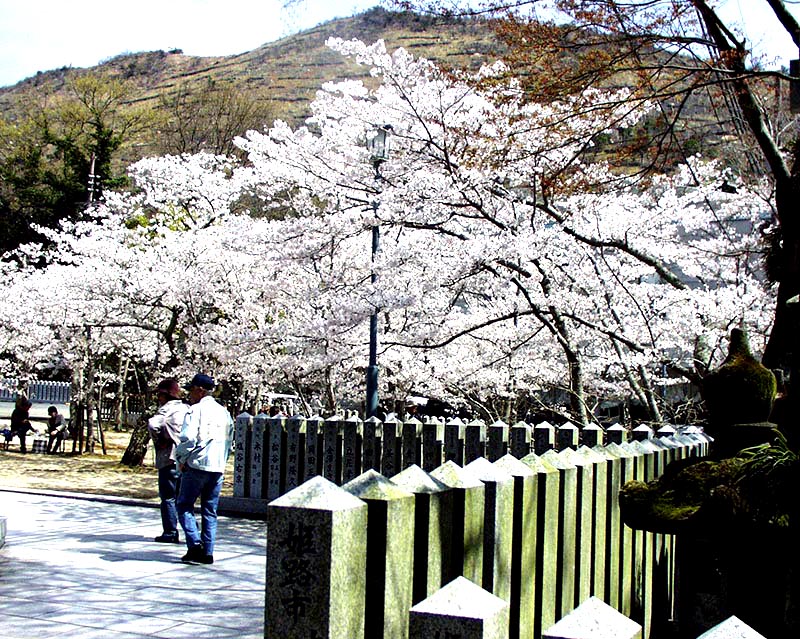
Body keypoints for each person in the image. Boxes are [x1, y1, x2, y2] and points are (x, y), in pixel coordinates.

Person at [175, 373, 233, 565]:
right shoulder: (224, 413)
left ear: (199, 390)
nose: (189, 395)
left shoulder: (195, 410)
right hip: (217, 467)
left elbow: (188, 438)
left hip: (196, 465)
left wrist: (181, 458)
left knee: (184, 505)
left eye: (191, 390)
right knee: (210, 510)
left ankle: (194, 545)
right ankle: (208, 551)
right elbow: (229, 440)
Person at [147, 378, 189, 544]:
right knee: (183, 498)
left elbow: (152, 424)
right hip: (185, 458)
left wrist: (159, 440)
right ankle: (191, 533)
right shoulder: (187, 409)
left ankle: (170, 531)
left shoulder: (166, 410)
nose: (158, 398)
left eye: (160, 395)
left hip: (169, 457)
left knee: (168, 497)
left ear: (165, 395)